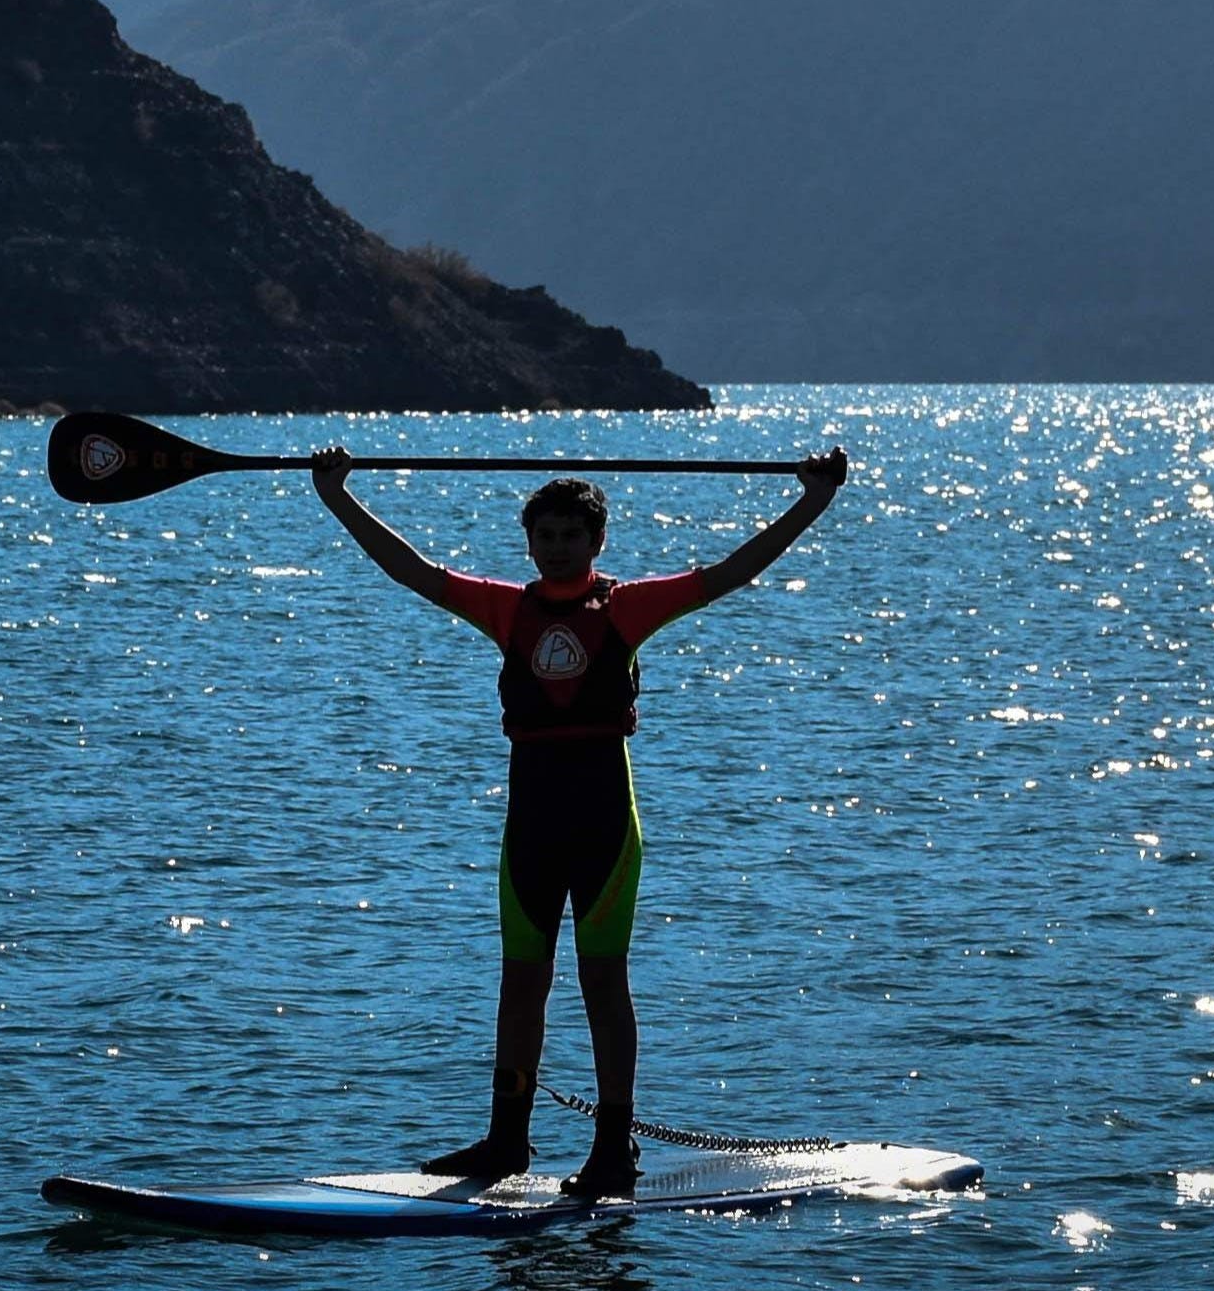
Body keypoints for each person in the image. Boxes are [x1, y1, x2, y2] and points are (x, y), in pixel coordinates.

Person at [310, 442, 847, 1199]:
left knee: (603, 982)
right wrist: (338, 496)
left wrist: (812, 500)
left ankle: (611, 1149)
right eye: (545, 536)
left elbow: (732, 573)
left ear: (598, 543)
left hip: (603, 826)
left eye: (572, 536)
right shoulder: (508, 608)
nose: (557, 548)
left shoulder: (626, 608)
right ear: (527, 543)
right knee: (519, 983)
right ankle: (506, 1141)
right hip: (530, 826)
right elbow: (413, 571)